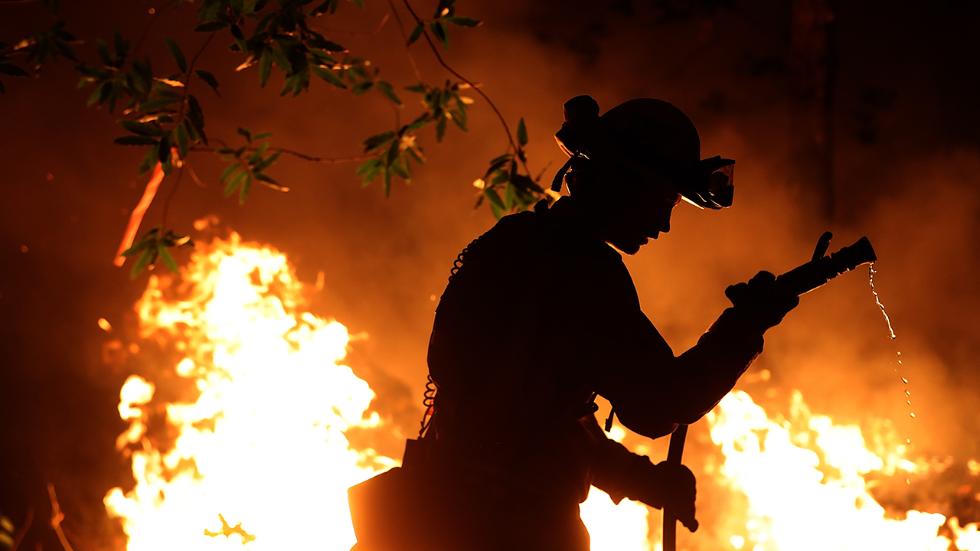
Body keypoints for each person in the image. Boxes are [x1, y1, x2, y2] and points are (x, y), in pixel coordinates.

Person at [349, 95, 799, 550]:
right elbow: (660, 403)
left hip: (435, 516)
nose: (664, 223)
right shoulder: (580, 269)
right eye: (662, 199)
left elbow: (532, 422)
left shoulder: (512, 243)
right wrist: (746, 324)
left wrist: (642, 481)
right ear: (624, 184)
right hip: (508, 530)